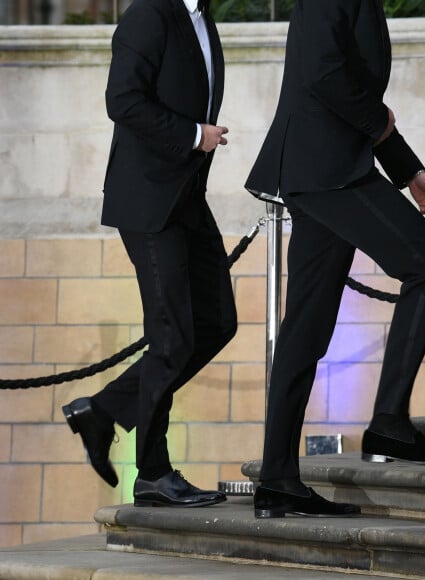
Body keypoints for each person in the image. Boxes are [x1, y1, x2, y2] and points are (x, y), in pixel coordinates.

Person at [245, 0, 425, 519]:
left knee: (306, 328)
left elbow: (353, 94)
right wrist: (384, 132)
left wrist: (409, 170)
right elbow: (325, 76)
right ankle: (388, 422)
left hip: (327, 170)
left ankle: (278, 478)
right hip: (328, 175)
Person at [62, 0, 237, 508]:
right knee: (172, 336)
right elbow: (123, 100)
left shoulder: (201, 18)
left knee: (217, 323)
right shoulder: (148, 14)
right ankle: (153, 473)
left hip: (187, 200)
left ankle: (102, 409)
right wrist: (192, 135)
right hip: (148, 201)